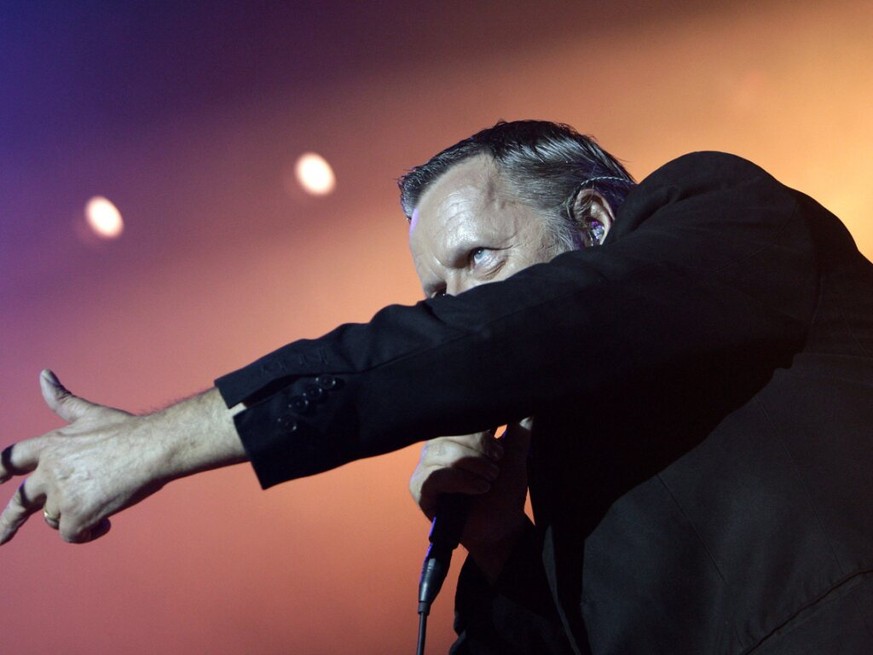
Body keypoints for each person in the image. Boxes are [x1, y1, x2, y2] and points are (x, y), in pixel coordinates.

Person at [2, 120, 873, 654]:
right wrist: (501, 550)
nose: (456, 307)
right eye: (435, 295)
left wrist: (156, 440)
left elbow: (503, 335)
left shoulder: (720, 213)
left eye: (478, 260)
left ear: (596, 220)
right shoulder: (561, 469)